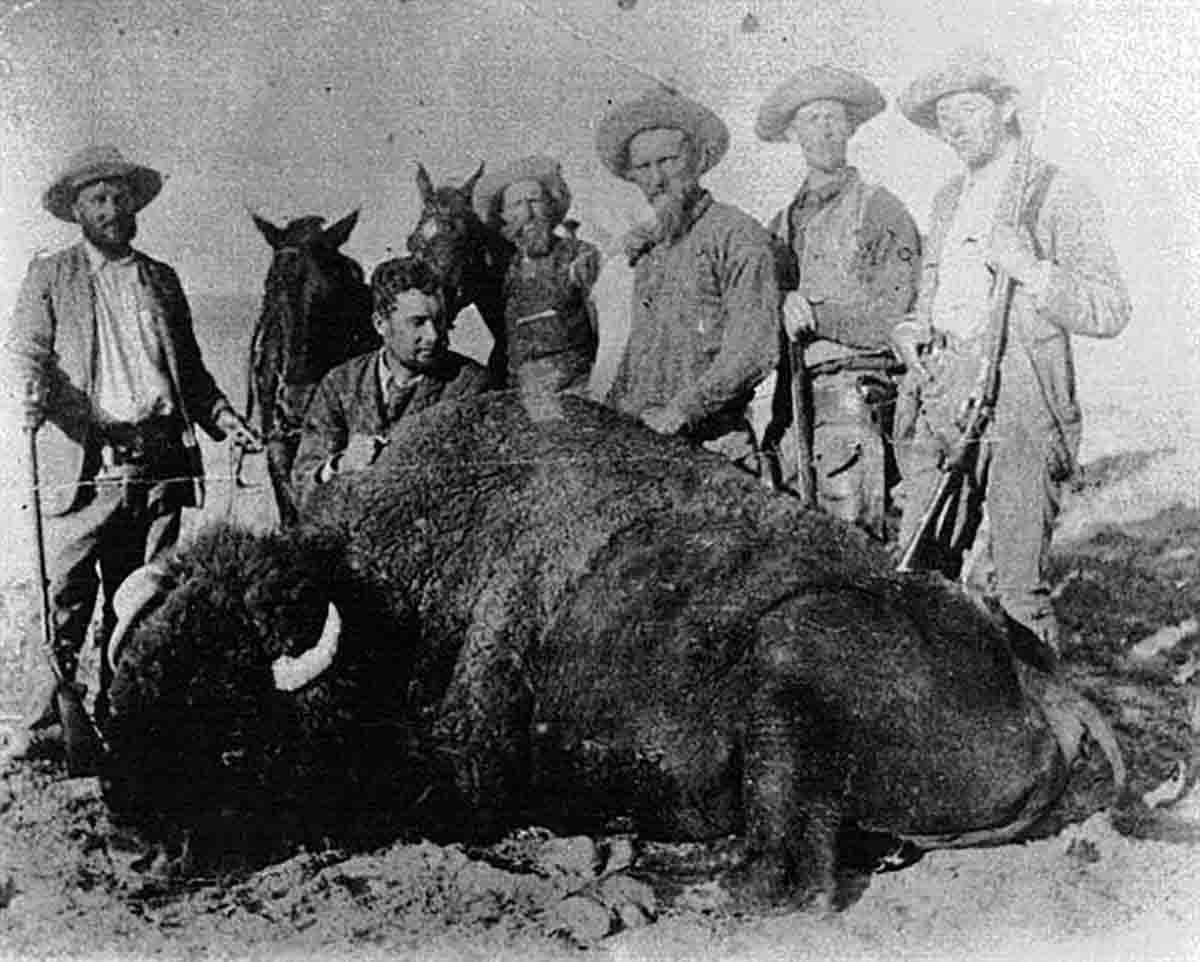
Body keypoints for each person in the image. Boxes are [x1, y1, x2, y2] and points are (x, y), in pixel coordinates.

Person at [2, 145, 262, 764]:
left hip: (161, 462)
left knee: (142, 598)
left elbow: (190, 373)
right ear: (76, 210)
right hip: (88, 467)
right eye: (98, 199)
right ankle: (44, 729)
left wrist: (225, 418)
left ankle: (128, 717)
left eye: (121, 197)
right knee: (64, 596)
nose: (113, 209)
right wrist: (32, 388)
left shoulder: (160, 279)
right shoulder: (51, 275)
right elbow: (26, 351)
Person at [893, 48, 1131, 652]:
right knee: (919, 581)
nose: (956, 124)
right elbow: (936, 295)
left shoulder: (1057, 192)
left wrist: (1031, 268)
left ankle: (1050, 737)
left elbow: (1109, 309)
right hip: (942, 397)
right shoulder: (947, 200)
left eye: (969, 107)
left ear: (1004, 109)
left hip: (1021, 409)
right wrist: (912, 328)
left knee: (1018, 592)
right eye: (944, 114)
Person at [755, 65, 921, 538]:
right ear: (792, 133)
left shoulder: (880, 210)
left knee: (852, 549)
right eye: (811, 120)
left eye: (834, 118)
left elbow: (892, 316)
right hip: (792, 407)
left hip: (853, 397)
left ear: (851, 127)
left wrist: (815, 315)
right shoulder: (777, 227)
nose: (825, 130)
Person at [595, 86, 781, 471]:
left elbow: (753, 349)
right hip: (643, 446)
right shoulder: (648, 252)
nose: (656, 179)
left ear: (697, 161)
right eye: (643, 168)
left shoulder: (736, 234)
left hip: (713, 447)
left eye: (667, 161)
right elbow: (634, 355)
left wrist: (683, 410)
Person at [292, 256, 491, 504]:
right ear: (380, 324)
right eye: (418, 323)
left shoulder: (471, 386)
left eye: (439, 321)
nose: (433, 335)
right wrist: (338, 465)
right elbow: (303, 485)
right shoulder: (340, 384)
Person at [473, 156, 602, 394]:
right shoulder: (507, 273)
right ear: (503, 216)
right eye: (516, 205)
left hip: (578, 392)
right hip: (524, 397)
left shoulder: (580, 257)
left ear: (552, 206)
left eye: (535, 200)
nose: (528, 213)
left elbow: (604, 333)